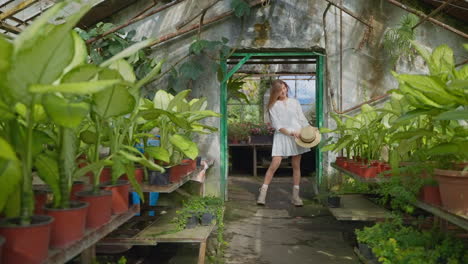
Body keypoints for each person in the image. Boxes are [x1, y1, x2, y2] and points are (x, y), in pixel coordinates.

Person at [257, 80, 321, 206]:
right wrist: (291, 132)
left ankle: (295, 196)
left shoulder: (295, 102)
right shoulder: (272, 106)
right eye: (281, 89)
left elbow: (301, 119)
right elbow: (277, 125)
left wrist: (309, 129)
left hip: (297, 137)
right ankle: (262, 194)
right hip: (282, 136)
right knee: (274, 164)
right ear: (276, 92)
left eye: (285, 88)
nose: (284, 91)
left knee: (296, 165)